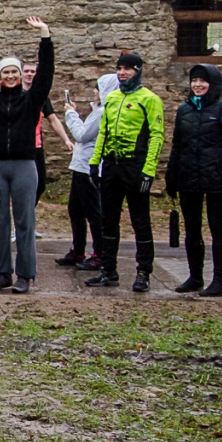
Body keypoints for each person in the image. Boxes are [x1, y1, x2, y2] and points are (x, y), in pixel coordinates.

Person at [0, 14, 53, 294]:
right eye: (6, 72)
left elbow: (45, 75)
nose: (11, 76)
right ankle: (2, 273)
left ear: (19, 75)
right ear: (0, 76)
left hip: (24, 166)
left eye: (14, 72)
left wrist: (45, 35)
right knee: (0, 222)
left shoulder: (31, 100)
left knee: (25, 221)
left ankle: (25, 275)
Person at [86, 53, 165, 292]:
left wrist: (148, 171)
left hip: (135, 166)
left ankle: (143, 272)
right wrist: (94, 161)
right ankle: (108, 270)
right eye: (119, 68)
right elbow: (103, 132)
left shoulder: (150, 99)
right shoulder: (112, 98)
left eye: (128, 69)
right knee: (108, 220)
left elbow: (157, 136)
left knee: (140, 220)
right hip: (111, 165)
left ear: (138, 71)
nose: (122, 73)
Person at [166, 64, 222, 295]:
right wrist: (172, 176)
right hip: (189, 177)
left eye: (203, 81)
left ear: (213, 83)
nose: (198, 85)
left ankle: (220, 279)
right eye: (194, 80)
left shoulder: (221, 109)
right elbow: (177, 145)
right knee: (192, 229)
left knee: (218, 230)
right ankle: (195, 276)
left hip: (217, 180)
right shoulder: (184, 110)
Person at [59, 75, 118, 271]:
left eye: (98, 89)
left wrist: (70, 115)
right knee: (75, 210)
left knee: (94, 212)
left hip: (89, 167)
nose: (94, 92)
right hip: (80, 166)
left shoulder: (103, 112)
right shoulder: (97, 112)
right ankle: (78, 249)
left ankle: (99, 254)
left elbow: (82, 135)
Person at [24, 61, 74, 206]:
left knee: (40, 186)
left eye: (33, 72)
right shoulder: (13, 95)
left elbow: (52, 119)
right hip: (19, 148)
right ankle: (20, 224)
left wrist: (66, 139)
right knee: (21, 187)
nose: (29, 74)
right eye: (26, 71)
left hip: (36, 147)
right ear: (21, 73)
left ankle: (27, 222)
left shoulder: (41, 97)